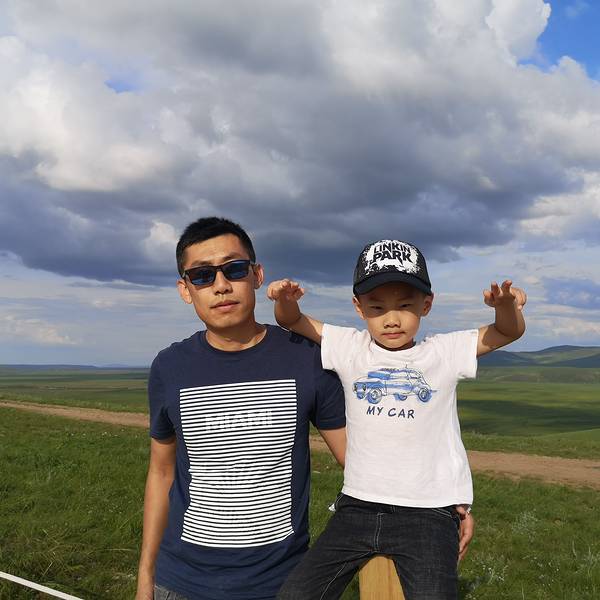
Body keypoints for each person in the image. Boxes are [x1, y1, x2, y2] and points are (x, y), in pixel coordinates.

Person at [268, 238, 526, 600]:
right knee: (296, 594)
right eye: (377, 307)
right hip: (356, 507)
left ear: (427, 304)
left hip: (428, 512)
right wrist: (284, 300)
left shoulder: (444, 352)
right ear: (359, 308)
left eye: (405, 305)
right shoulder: (350, 347)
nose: (391, 319)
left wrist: (507, 307)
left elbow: (508, 331)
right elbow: (292, 321)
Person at [135, 217, 348, 600]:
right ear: (185, 290)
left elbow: (359, 461)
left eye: (233, 269)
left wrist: (439, 503)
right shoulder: (169, 367)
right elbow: (161, 472)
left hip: (281, 585)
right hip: (179, 584)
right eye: (202, 275)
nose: (220, 285)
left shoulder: (305, 358)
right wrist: (145, 576)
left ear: (256, 275)